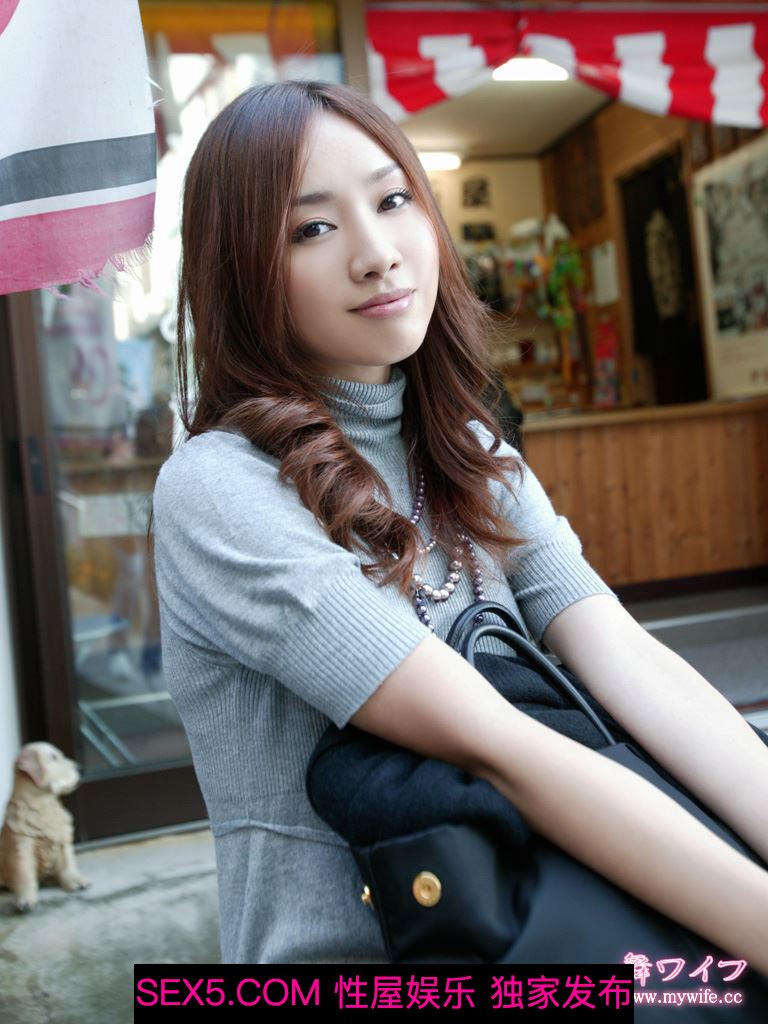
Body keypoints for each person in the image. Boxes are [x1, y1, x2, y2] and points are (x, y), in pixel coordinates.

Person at [149, 80, 768, 969]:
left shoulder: (467, 449)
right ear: (240, 270)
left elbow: (632, 662)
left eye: (393, 200)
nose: (376, 254)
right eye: (311, 228)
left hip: (555, 927)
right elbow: (497, 745)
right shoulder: (219, 488)